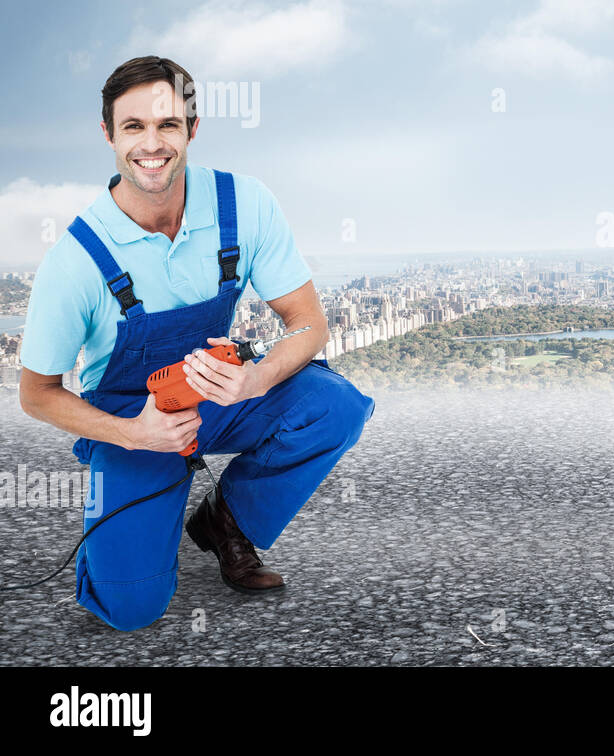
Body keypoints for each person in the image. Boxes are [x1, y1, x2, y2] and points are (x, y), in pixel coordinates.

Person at [18, 55, 375, 631]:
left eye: (168, 125)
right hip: (132, 421)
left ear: (192, 128)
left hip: (220, 392)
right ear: (108, 133)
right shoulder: (76, 259)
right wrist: (135, 433)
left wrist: (255, 380)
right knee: (130, 609)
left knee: (333, 406)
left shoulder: (244, 204)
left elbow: (310, 322)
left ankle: (225, 522)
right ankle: (124, 535)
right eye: (133, 126)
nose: (151, 143)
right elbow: (35, 394)